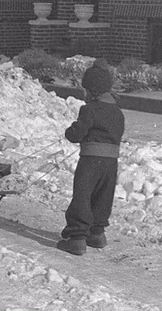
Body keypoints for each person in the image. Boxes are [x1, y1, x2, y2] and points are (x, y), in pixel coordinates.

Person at [57, 66, 125, 255]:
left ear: (92, 91)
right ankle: (97, 233)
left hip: (90, 161)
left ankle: (77, 238)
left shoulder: (89, 110)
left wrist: (70, 131)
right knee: (103, 195)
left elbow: (78, 133)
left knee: (83, 195)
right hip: (111, 163)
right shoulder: (117, 112)